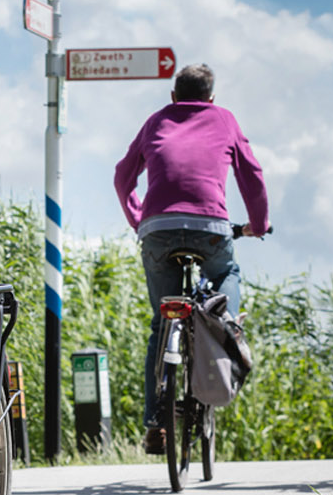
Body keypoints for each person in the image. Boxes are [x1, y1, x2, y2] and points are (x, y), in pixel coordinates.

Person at [114, 64, 270, 454]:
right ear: (211, 98)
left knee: (161, 323)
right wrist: (258, 224)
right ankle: (225, 324)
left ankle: (156, 424)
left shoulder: (156, 120)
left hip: (158, 231)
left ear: (173, 96)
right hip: (211, 228)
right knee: (228, 271)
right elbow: (251, 174)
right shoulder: (225, 118)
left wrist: (139, 218)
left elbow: (122, 176)